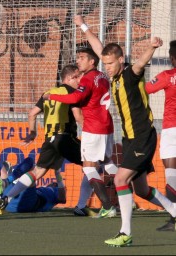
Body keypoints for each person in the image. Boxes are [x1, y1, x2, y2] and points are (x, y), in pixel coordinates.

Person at [74, 14, 176, 247]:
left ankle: (125, 233)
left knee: (120, 178)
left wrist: (151, 47)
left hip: (143, 137)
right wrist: (83, 26)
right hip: (129, 139)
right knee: (140, 189)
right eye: (105, 63)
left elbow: (140, 63)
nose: (107, 67)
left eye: (111, 63)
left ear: (121, 60)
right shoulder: (112, 76)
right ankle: (174, 209)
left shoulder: (130, 73)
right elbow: (97, 46)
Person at [0, 65, 85, 216]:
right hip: (64, 137)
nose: (80, 81)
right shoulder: (72, 93)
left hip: (49, 139)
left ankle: (6, 197)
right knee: (92, 163)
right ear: (69, 78)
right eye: (77, 77)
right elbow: (78, 117)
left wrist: (32, 133)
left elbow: (32, 113)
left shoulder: (48, 93)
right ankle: (83, 206)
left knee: (38, 171)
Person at [43, 48, 118, 218]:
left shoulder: (88, 78)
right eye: (77, 58)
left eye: (82, 58)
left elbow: (76, 98)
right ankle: (127, 187)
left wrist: (52, 96)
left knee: (89, 168)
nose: (78, 61)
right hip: (106, 125)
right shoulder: (102, 76)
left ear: (92, 61)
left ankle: (107, 207)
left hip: (93, 127)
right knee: (107, 163)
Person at [145, 40, 176, 231]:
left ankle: (174, 220)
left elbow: (147, 88)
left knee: (171, 174)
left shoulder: (167, 75)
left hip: (172, 129)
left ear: (172, 58)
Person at [0, 157, 67, 213]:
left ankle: (7, 181)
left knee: (30, 162)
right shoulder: (43, 190)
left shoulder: (52, 194)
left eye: (55, 184)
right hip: (7, 203)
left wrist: (58, 175)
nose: (53, 183)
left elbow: (62, 198)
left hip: (28, 203)